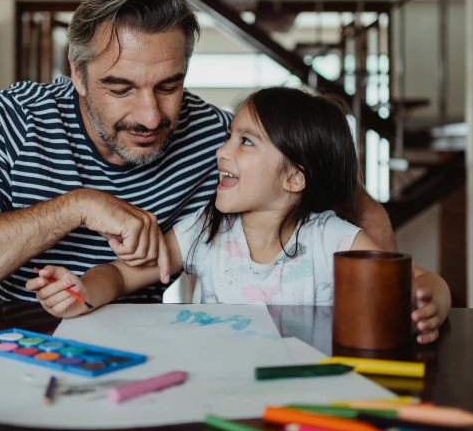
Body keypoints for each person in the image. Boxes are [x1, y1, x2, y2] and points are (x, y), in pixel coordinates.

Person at [0, 0, 396, 306]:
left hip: (146, 354)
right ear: (78, 74)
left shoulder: (218, 138)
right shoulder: (13, 119)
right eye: (120, 87)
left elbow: (343, 195)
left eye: (169, 86)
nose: (151, 115)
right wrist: (77, 208)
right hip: (10, 341)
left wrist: (397, 298)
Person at [29, 88, 450, 344]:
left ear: (294, 177)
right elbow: (122, 275)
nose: (221, 151)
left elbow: (420, 282)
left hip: (302, 394)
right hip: (217, 387)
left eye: (245, 141)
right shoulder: (203, 231)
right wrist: (81, 289)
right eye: (230, 136)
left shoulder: (333, 239)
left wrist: (432, 303)